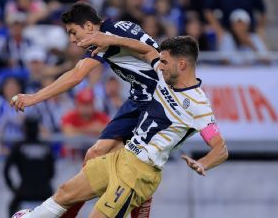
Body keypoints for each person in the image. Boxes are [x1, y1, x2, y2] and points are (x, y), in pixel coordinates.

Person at [12, 36, 229, 218]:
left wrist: (204, 163)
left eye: (164, 62)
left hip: (139, 173)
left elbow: (220, 148)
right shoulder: (164, 76)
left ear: (181, 64)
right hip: (122, 157)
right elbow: (145, 50)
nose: (158, 66)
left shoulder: (199, 106)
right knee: (66, 192)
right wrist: (107, 39)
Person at [10, 1, 159, 217]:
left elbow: (76, 75)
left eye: (73, 32)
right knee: (95, 154)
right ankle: (68, 213)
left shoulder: (105, 38)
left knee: (132, 168)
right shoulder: (118, 27)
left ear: (89, 26)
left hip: (156, 104)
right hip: (138, 98)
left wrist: (34, 97)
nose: (72, 39)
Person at [4, 117, 55, 217]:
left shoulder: (18, 147)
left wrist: (13, 188)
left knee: (12, 208)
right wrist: (44, 182)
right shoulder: (46, 147)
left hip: (24, 191)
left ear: (24, 129)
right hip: (45, 191)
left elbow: (6, 170)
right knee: (59, 207)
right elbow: (52, 170)